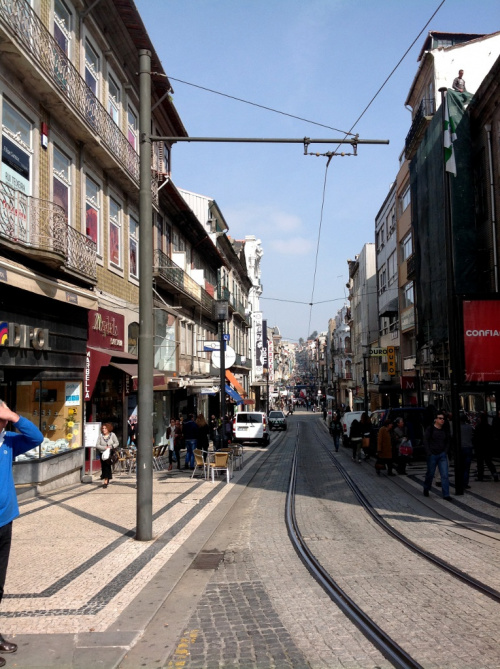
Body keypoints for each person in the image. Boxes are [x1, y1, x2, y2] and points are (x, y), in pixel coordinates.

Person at [0, 400, 43, 666]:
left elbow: (36, 437)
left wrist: (14, 416)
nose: (2, 423)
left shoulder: (8, 443)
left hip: (4, 523)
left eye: (2, 420)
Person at [423, 412, 452, 500]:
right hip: (432, 455)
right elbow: (425, 440)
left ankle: (446, 494)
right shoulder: (430, 429)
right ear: (435, 419)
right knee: (430, 473)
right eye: (440, 418)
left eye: (443, 419)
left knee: (444, 475)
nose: (442, 420)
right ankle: (426, 488)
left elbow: (448, 441)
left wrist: (445, 451)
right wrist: (429, 452)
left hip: (442, 455)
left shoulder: (445, 430)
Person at [473, 412, 499, 482]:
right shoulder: (489, 427)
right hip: (487, 447)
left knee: (480, 463)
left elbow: (476, 438)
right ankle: (494, 474)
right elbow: (491, 438)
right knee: (489, 462)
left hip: (480, 447)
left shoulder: (478, 427)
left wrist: (475, 447)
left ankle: (480, 476)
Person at [96, 422, 119, 488]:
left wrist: (111, 446)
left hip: (109, 453)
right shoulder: (100, 436)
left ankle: (106, 480)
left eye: (105, 428)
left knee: (107, 466)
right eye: (103, 428)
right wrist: (104, 447)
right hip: (102, 453)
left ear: (108, 429)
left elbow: (117, 443)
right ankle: (106, 477)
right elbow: (97, 445)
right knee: (103, 466)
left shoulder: (112, 435)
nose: (104, 430)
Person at [460, 413, 474, 490]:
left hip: (461, 448)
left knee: (461, 466)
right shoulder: (469, 427)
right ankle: (465, 482)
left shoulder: (458, 427)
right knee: (467, 467)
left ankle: (461, 481)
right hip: (468, 447)